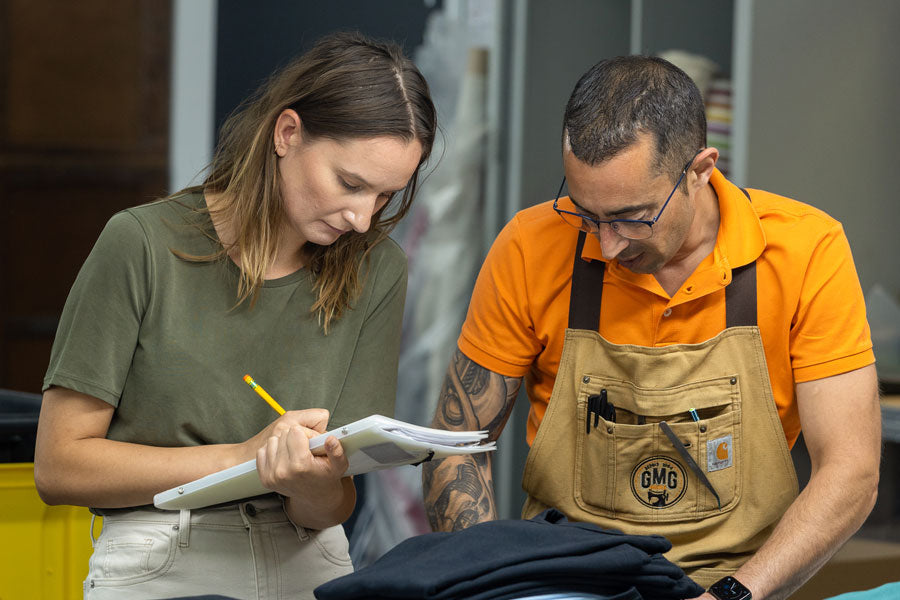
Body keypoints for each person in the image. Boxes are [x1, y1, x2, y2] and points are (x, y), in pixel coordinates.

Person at [423, 56, 881, 600]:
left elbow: (851, 472)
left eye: (631, 217)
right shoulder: (530, 246)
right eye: (587, 215)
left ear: (700, 169)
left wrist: (733, 595)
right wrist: (495, 581)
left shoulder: (806, 251)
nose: (608, 244)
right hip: (564, 580)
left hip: (739, 581)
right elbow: (453, 445)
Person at [34, 31, 436, 599]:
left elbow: (335, 502)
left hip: (310, 559)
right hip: (162, 552)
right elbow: (59, 466)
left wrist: (309, 484)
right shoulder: (142, 244)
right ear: (287, 133)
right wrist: (244, 459)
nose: (363, 219)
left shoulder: (378, 268)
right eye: (350, 184)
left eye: (385, 197)